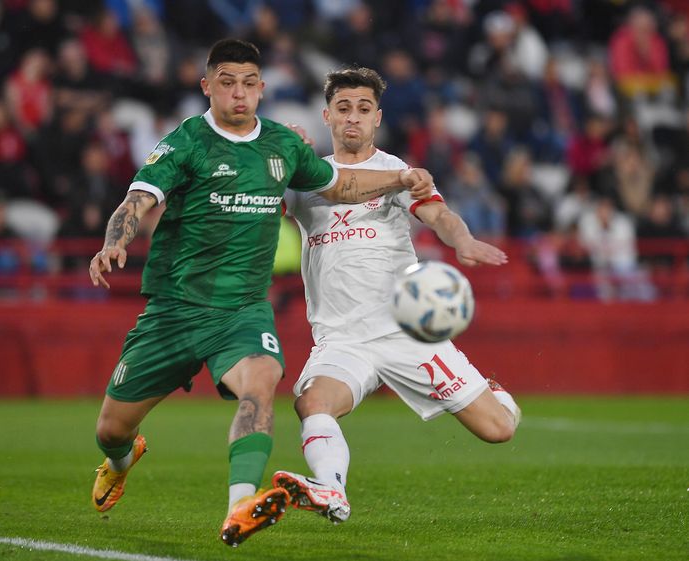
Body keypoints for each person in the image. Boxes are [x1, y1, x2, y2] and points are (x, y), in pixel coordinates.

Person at [87, 40, 433, 547]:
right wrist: (114, 241)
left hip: (242, 311)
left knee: (262, 382)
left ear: (262, 88)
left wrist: (401, 178)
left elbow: (337, 185)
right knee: (111, 429)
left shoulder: (282, 146)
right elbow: (138, 198)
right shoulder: (186, 143)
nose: (239, 93)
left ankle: (240, 507)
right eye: (227, 82)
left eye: (249, 82)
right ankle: (122, 458)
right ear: (208, 86)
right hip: (175, 312)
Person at [270, 67, 521, 524]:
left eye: (363, 109)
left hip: (405, 330)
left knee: (499, 429)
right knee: (312, 401)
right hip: (341, 337)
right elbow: (258, 197)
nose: (353, 118)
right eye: (343, 108)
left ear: (377, 118)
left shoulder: (396, 172)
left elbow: (440, 215)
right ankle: (331, 489)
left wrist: (461, 240)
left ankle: (492, 393)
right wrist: (276, 151)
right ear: (327, 115)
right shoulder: (304, 177)